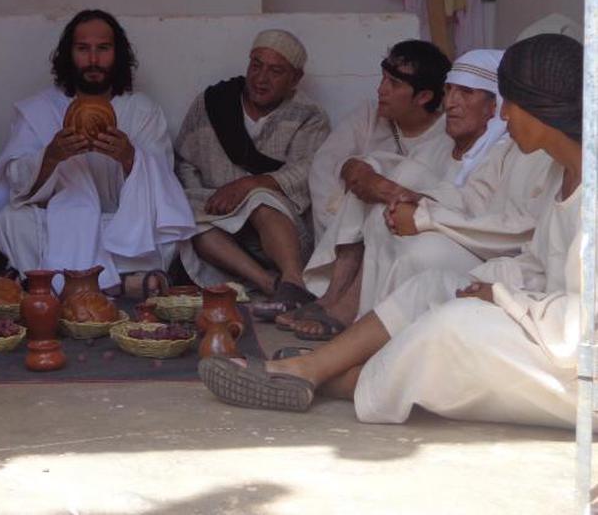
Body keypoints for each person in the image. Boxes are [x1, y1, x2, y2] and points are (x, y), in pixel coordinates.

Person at [200, 34, 587, 430]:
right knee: (435, 286)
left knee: (455, 323)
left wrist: (502, 297)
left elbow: (585, 325)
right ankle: (315, 365)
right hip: (547, 329)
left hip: (580, 369)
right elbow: (538, 263)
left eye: (510, 105)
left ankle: (339, 377)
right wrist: (488, 282)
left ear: (544, 107)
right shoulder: (561, 172)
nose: (503, 118)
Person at [284, 49, 558, 340]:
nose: (450, 103)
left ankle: (373, 334)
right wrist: (411, 201)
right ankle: (351, 312)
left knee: (420, 249)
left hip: (505, 260)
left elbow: (521, 230)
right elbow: (472, 199)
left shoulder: (539, 154)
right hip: (476, 238)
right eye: (449, 91)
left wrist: (427, 217)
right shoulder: (505, 149)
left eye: (465, 93)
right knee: (385, 209)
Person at [0, 9, 196, 296]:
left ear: (118, 54)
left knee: (166, 227)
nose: (94, 60)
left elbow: (163, 187)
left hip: (118, 221)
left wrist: (129, 159)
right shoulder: (39, 109)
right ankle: (121, 283)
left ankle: (43, 282)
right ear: (68, 54)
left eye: (103, 49)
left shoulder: (141, 110)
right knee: (13, 218)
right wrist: (51, 157)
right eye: (83, 49)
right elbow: (12, 183)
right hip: (58, 221)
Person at [174, 29, 330, 300]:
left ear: (295, 78)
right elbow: (185, 161)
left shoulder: (309, 116)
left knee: (259, 199)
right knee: (187, 219)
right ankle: (271, 286)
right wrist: (206, 199)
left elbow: (309, 169)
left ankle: (293, 279)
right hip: (219, 232)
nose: (260, 78)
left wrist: (249, 186)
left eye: (275, 71)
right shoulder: (212, 103)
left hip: (279, 233)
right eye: (256, 65)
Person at [307, 40, 451, 240]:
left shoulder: (448, 134)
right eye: (383, 79)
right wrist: (346, 235)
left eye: (394, 83)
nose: (381, 90)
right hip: (347, 239)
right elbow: (324, 167)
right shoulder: (367, 116)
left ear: (423, 96)